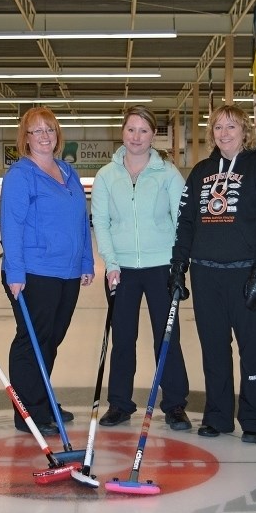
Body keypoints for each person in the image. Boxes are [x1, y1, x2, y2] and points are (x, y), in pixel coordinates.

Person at [169, 104, 256, 444]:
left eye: (231, 126)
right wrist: (179, 266)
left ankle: (254, 418)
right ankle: (218, 416)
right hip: (206, 276)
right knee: (214, 349)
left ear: (245, 131)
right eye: (218, 127)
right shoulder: (201, 171)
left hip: (245, 274)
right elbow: (186, 223)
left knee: (252, 349)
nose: (224, 133)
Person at [91, 105, 191, 430]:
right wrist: (111, 263)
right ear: (123, 132)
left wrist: (178, 263)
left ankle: (175, 405)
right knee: (123, 338)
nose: (136, 137)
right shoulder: (107, 175)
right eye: (131, 129)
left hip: (161, 266)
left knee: (167, 337)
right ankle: (120, 404)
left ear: (153, 135)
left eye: (143, 130)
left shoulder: (167, 174)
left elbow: (183, 220)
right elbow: (101, 223)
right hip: (122, 270)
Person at [0, 107, 94, 437]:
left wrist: (86, 261)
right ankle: (28, 412)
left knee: (51, 341)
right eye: (36, 131)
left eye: (49, 130)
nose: (44, 136)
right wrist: (14, 271)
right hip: (33, 271)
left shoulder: (67, 171)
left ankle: (42, 401)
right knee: (32, 342)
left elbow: (81, 221)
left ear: (57, 135)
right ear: (25, 139)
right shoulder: (21, 175)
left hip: (66, 273)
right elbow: (11, 226)